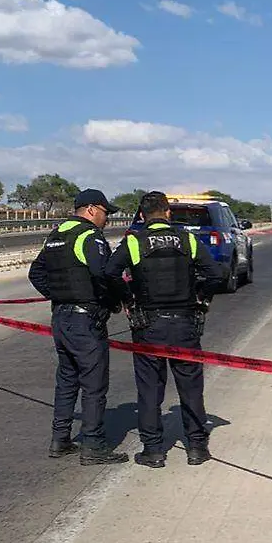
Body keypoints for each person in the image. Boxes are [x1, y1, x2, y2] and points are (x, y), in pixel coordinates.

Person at [105, 191, 226, 468]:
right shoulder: (188, 240)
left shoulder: (134, 242)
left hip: (148, 325)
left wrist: (128, 298)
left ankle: (154, 450)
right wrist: (202, 300)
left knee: (149, 390)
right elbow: (216, 274)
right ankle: (196, 448)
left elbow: (110, 272)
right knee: (191, 387)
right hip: (185, 324)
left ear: (142, 215)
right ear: (168, 212)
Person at [28, 189, 128, 465]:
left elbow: (35, 273)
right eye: (106, 213)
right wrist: (113, 302)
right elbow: (103, 274)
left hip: (61, 318)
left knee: (67, 381)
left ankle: (60, 439)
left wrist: (60, 296)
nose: (107, 219)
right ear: (93, 209)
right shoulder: (89, 236)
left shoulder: (56, 235)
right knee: (94, 385)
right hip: (86, 321)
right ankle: (93, 446)